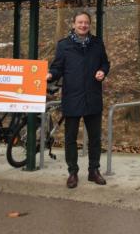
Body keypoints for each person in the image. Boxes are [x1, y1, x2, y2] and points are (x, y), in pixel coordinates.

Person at [47, 11, 110, 189]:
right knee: (70, 138)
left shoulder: (97, 43)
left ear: (89, 25)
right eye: (80, 22)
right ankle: (72, 172)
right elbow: (57, 67)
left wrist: (103, 71)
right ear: (74, 24)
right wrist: (50, 75)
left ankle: (93, 171)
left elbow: (105, 63)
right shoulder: (64, 45)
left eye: (86, 23)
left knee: (95, 138)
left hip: (93, 97)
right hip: (72, 98)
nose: (83, 25)